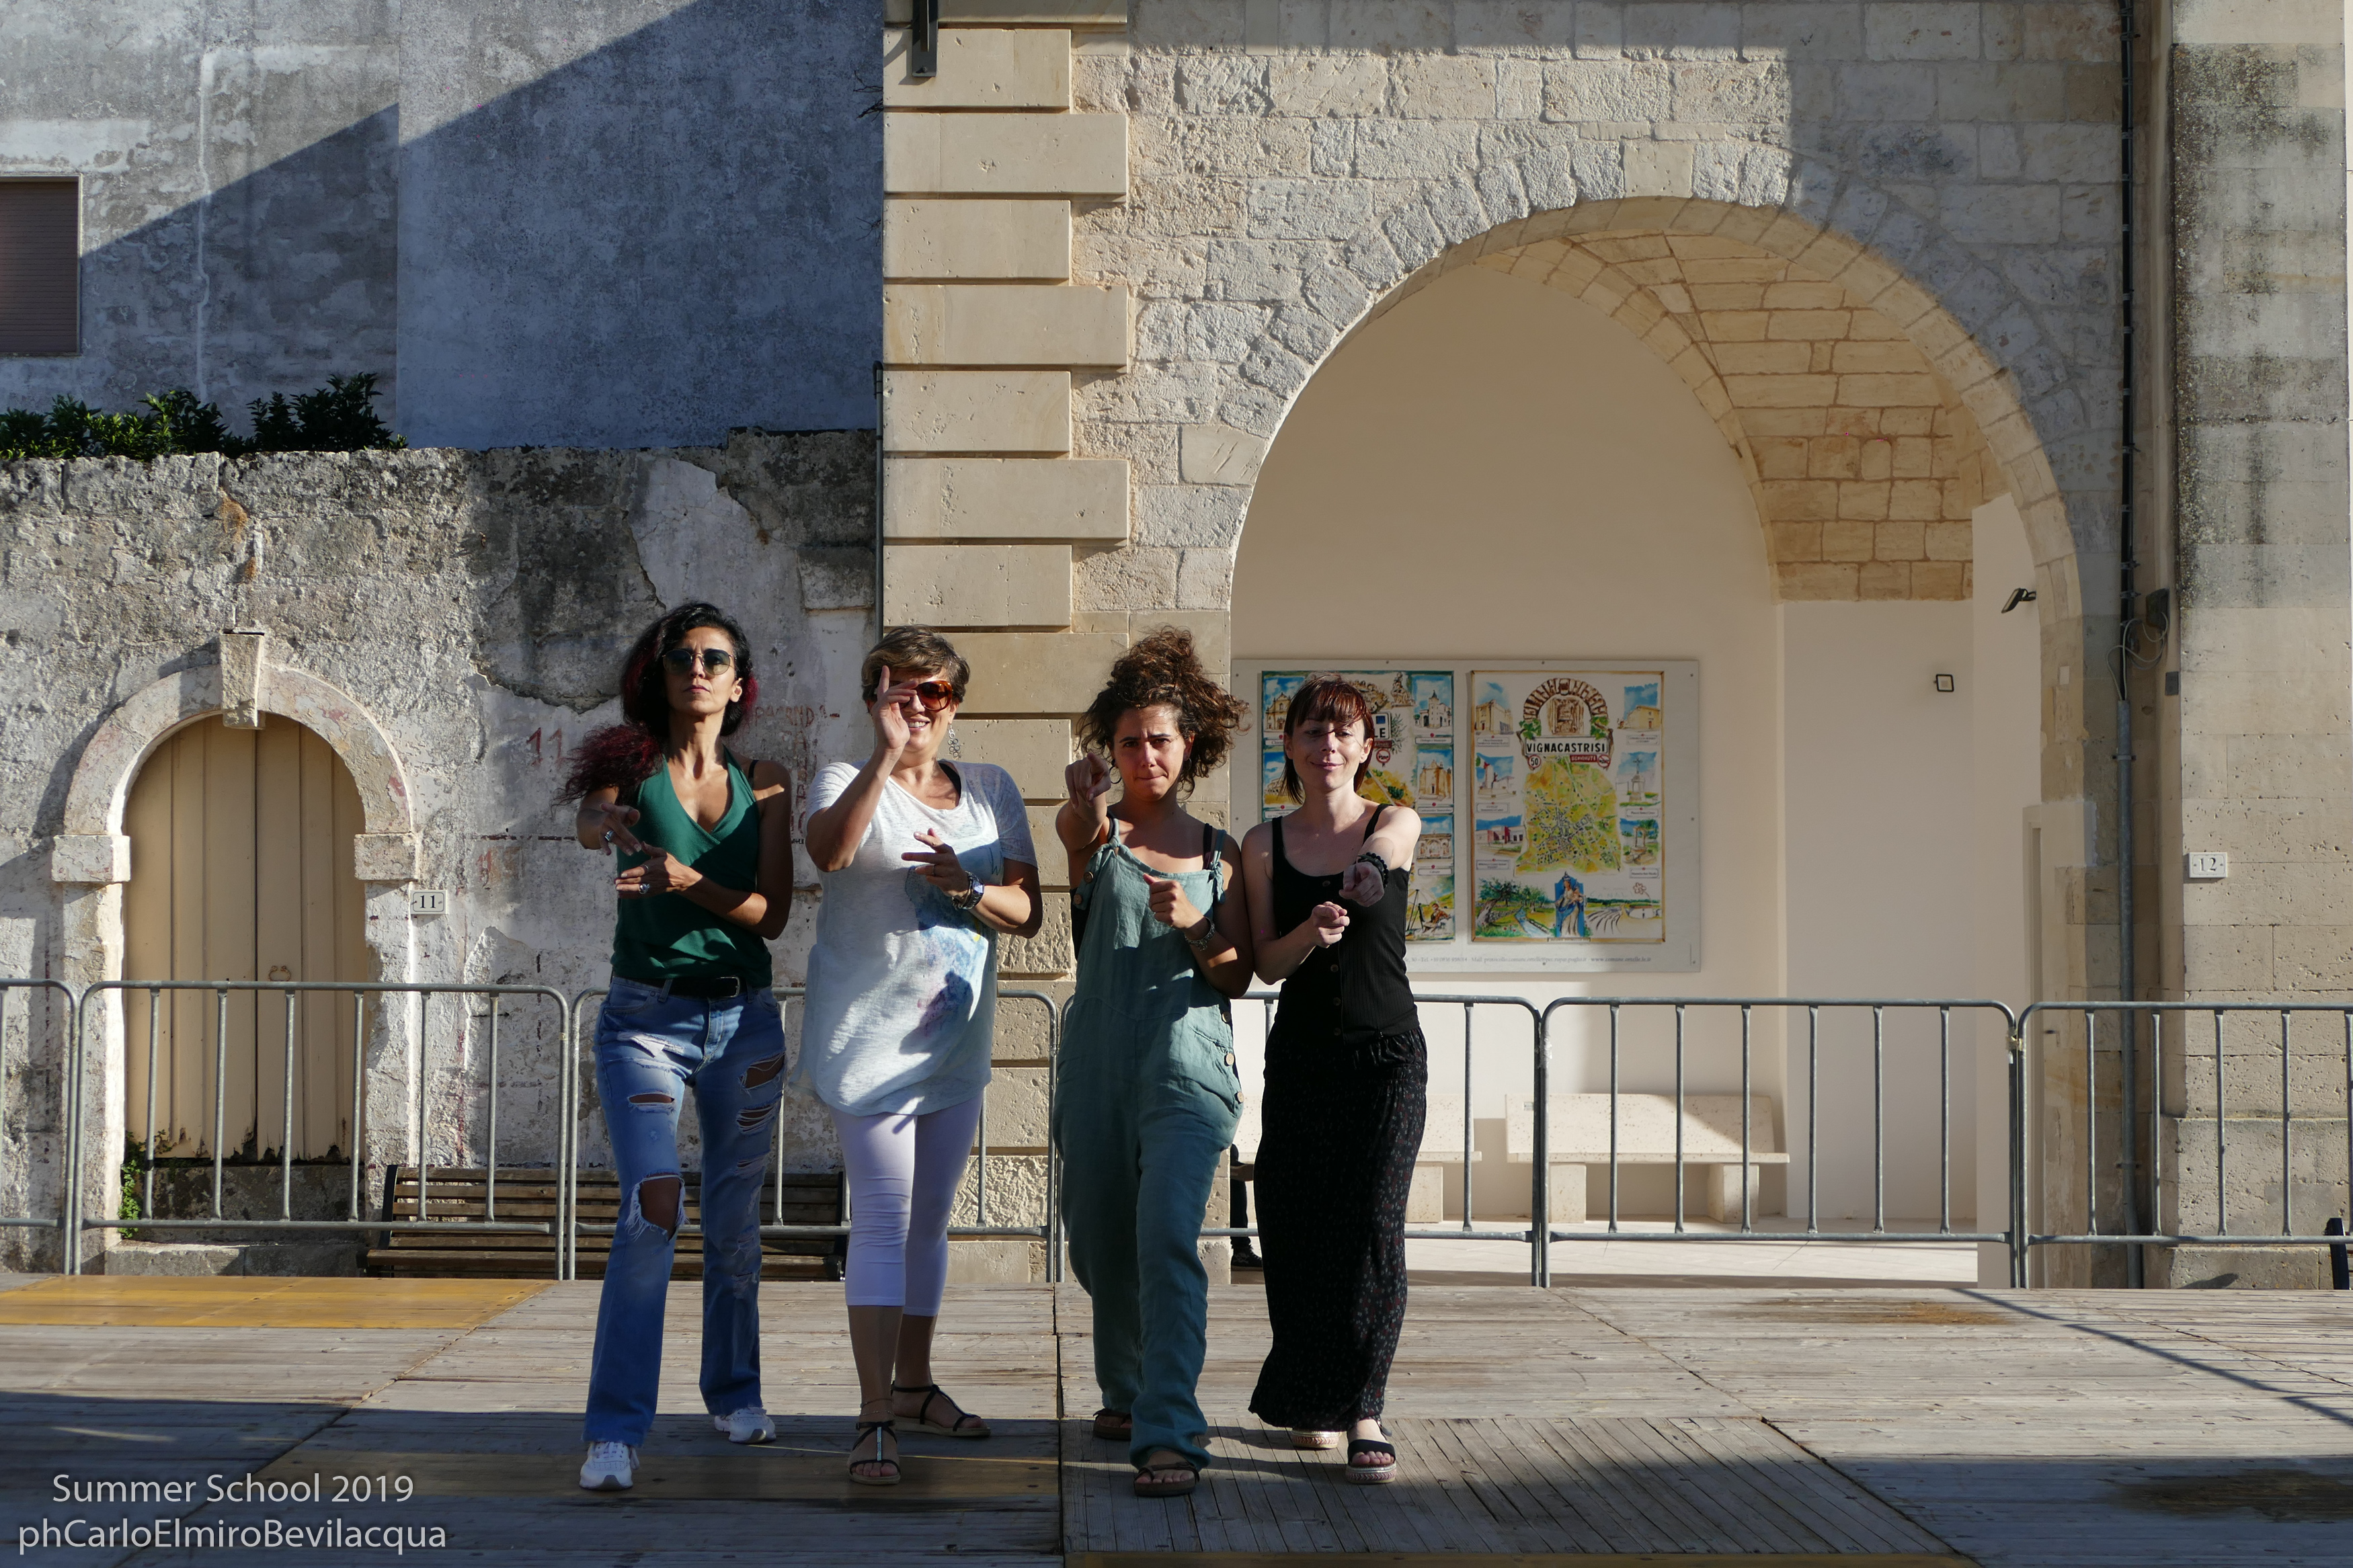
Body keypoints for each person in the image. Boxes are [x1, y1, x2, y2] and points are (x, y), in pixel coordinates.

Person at [800, 627, 1042, 1486]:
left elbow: (1027, 910)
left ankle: (912, 1383)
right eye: (895, 689)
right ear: (872, 698)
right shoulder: (841, 776)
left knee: (930, 1221)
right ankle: (873, 1412)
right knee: (882, 1216)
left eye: (931, 690)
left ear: (955, 702)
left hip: (952, 1042)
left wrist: (966, 888)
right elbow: (830, 852)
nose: (914, 704)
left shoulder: (990, 788)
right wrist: (884, 758)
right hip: (866, 1041)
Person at [563, 604, 796, 1493]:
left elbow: (771, 914)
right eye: (681, 658)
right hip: (644, 1021)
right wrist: (606, 825)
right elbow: (591, 818)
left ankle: (734, 1392)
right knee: (652, 1205)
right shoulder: (628, 766)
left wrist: (687, 878)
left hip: (746, 1023)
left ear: (739, 685)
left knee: (733, 1221)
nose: (696, 669)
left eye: (714, 659)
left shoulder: (765, 781)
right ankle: (614, 1429)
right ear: (658, 675)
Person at [1053, 628, 1253, 1499]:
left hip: (1187, 1064)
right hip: (1096, 1062)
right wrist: (1083, 803)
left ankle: (1168, 1424)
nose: (1145, 755)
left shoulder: (1219, 851)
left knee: (1167, 1235)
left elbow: (1237, 973)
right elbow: (1074, 833)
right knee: (1100, 1240)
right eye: (1129, 740)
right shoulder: (1093, 830)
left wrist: (1197, 925)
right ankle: (1125, 1386)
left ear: (1189, 744)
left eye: (1160, 739)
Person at [1240, 675, 1425, 1485]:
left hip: (1387, 1057)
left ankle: (1364, 1407)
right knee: (1293, 1225)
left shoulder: (1393, 820)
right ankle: (1313, 1389)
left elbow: (1388, 854)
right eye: (1313, 731)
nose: (1328, 745)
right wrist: (1310, 932)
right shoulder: (1261, 843)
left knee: (1372, 1227)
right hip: (1303, 1057)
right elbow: (1264, 963)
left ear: (1366, 747)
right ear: (1288, 745)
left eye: (1344, 732)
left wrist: (1367, 875)